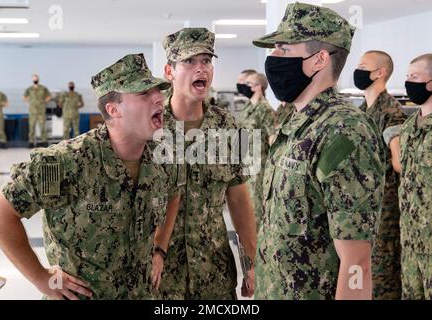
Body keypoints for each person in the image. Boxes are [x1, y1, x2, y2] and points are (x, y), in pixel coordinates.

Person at [0, 53, 181, 299]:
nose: (158, 98)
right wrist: (41, 278)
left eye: (157, 91)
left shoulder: (161, 158)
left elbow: (174, 193)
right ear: (113, 110)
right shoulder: (65, 161)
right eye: (143, 94)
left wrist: (159, 249)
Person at [253, 2, 385, 300]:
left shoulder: (344, 131)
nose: (273, 58)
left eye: (284, 50)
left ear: (319, 59)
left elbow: (356, 263)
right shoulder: (298, 122)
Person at [157, 27, 257, 299]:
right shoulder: (149, 126)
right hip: (157, 276)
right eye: (189, 61)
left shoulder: (230, 127)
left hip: (213, 275)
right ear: (169, 72)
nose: (200, 68)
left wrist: (251, 262)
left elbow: (239, 200)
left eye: (206, 61)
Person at [354, 50, 407, 299]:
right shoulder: (361, 109)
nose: (358, 70)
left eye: (364, 66)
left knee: (383, 271)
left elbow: (399, 163)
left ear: (380, 72)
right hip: (362, 205)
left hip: (384, 208)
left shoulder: (391, 110)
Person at [395, 53, 432, 299]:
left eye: (415, 77)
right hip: (409, 236)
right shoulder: (409, 127)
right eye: (408, 77)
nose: (410, 83)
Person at [236, 72, 275, 228]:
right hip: (245, 165)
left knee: (256, 207)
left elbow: (272, 138)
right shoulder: (247, 107)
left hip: (259, 168)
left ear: (258, 87)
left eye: (249, 84)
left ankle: (257, 245)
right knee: (244, 206)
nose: (245, 86)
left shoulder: (264, 109)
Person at [23, 74, 52, 148]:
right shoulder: (29, 89)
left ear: (38, 79)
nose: (35, 80)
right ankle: (31, 143)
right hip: (32, 111)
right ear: (32, 80)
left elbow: (49, 96)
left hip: (41, 111)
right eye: (34, 78)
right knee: (32, 128)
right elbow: (24, 97)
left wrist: (43, 101)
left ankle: (44, 142)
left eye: (36, 78)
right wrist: (30, 100)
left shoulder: (43, 88)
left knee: (42, 127)